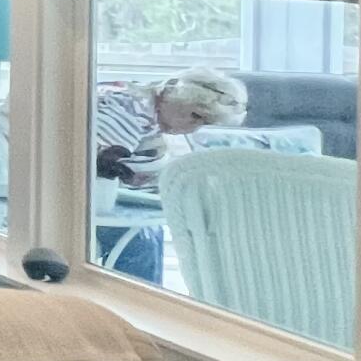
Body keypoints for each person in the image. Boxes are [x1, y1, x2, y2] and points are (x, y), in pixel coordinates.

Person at [93, 68, 247, 283]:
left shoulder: (151, 110)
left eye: (203, 123)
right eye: (195, 115)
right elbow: (94, 164)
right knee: (142, 241)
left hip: (120, 206)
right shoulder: (129, 111)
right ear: (175, 96)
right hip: (86, 210)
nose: (192, 128)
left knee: (149, 234)